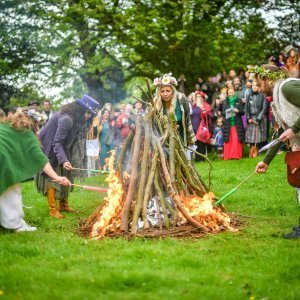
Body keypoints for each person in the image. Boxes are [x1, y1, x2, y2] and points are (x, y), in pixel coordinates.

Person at [0, 108, 70, 232]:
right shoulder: (27, 133)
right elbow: (42, 160)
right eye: (38, 125)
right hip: (3, 161)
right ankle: (16, 225)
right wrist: (58, 177)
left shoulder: (6, 125)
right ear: (34, 123)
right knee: (11, 189)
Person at [251, 64, 300, 239]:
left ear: (268, 79)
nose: (257, 86)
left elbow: (291, 129)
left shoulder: (287, 87)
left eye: (258, 81)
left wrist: (294, 129)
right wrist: (266, 161)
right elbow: (280, 135)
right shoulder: (277, 97)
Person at [36, 94, 99, 219]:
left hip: (62, 147)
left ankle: (63, 204)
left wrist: (69, 158)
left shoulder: (77, 119)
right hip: (50, 147)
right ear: (79, 109)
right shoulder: (67, 119)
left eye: (90, 114)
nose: (88, 116)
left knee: (67, 174)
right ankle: (53, 210)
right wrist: (63, 160)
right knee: (53, 176)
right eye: (87, 112)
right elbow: (57, 142)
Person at [153, 73, 196, 152]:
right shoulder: (155, 103)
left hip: (181, 140)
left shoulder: (181, 100)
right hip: (163, 142)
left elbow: (187, 120)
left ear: (172, 90)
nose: (165, 94)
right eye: (162, 91)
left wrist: (190, 139)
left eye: (168, 91)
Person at [245, 81, 268, 158]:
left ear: (259, 87)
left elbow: (264, 108)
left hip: (259, 117)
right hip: (251, 118)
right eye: (253, 85)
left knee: (258, 136)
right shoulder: (249, 95)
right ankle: (251, 151)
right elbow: (246, 108)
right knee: (251, 136)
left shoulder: (263, 95)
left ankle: (257, 150)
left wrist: (258, 119)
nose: (254, 87)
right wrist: (248, 118)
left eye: (256, 85)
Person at [222, 87, 245, 160]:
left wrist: (237, 111)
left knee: (236, 140)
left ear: (234, 92)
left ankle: (236, 156)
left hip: (236, 123)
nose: (231, 94)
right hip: (228, 124)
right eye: (229, 93)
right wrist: (229, 111)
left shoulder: (238, 100)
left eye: (232, 92)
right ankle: (228, 156)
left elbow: (243, 112)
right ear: (227, 94)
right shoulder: (225, 101)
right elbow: (223, 112)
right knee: (228, 140)